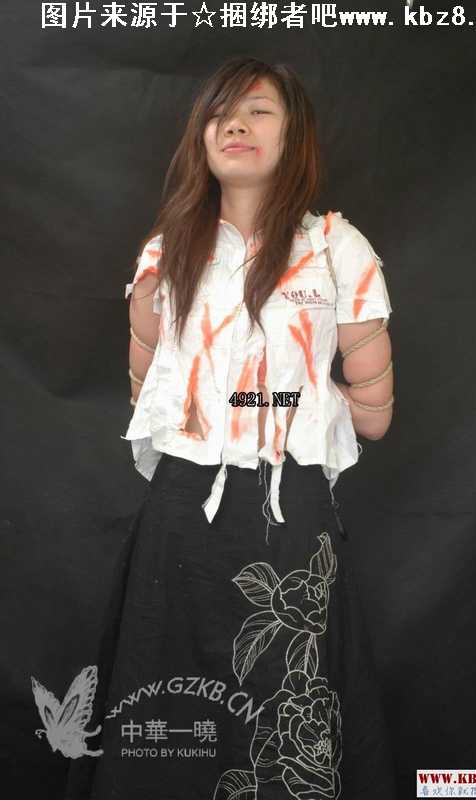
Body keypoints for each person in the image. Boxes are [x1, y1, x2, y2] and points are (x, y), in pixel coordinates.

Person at [66, 56, 396, 799]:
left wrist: (264, 401)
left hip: (292, 510)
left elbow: (374, 417)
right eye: (221, 113)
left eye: (259, 111)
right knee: (166, 703)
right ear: (201, 135)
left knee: (290, 704)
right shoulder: (164, 256)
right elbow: (151, 400)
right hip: (181, 510)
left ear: (294, 134)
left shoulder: (335, 248)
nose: (236, 126)